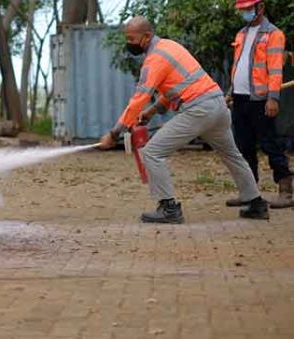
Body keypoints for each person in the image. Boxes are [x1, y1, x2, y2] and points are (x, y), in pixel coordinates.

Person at [99, 16, 268, 223]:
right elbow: (175, 87)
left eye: (131, 38)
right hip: (217, 106)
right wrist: (152, 111)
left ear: (147, 36)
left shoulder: (154, 59)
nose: (129, 43)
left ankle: (169, 209)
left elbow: (138, 99)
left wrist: (115, 133)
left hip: (199, 110)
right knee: (232, 155)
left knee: (152, 152)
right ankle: (256, 203)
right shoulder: (170, 46)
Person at [225, 0, 293, 208]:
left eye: (248, 7)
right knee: (244, 146)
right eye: (242, 8)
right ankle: (249, 192)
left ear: (260, 7)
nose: (245, 11)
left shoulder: (273, 34)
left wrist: (273, 98)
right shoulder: (241, 34)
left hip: (262, 100)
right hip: (240, 98)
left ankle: (286, 190)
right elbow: (239, 66)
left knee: (270, 144)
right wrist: (231, 92)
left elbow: (275, 69)